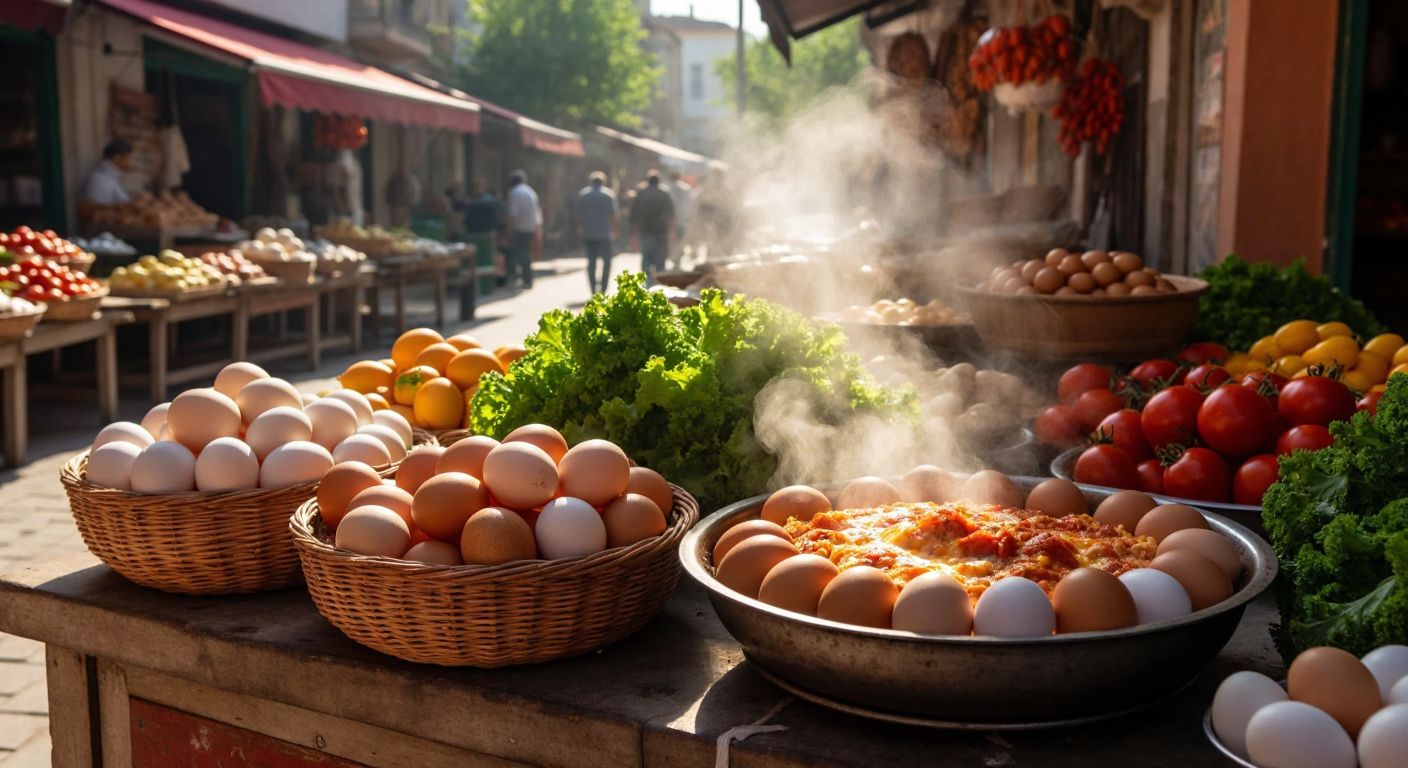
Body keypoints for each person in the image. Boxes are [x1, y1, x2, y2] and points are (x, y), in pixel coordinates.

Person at [451, 179, 501, 319]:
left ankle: (486, 286)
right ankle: (483, 288)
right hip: (481, 235)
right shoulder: (479, 202)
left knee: (481, 265)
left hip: (481, 235)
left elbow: (467, 219)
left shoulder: (479, 202)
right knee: (477, 267)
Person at [574, 171, 618, 293]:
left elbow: (578, 216)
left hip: (589, 233)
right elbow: (614, 216)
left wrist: (579, 229)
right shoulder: (608, 195)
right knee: (607, 262)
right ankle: (603, 288)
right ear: (603, 182)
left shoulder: (583, 195)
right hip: (605, 234)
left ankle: (593, 288)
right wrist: (615, 231)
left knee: (591, 262)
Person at [630, 170, 674, 283]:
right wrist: (672, 230)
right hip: (661, 230)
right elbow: (671, 213)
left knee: (646, 256)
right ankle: (659, 281)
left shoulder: (641, 193)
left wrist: (633, 233)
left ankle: (646, 280)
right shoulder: (664, 193)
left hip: (646, 230)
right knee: (660, 257)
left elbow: (634, 213)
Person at [504, 170, 542, 289]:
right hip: (530, 227)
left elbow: (513, 214)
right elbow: (537, 213)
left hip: (520, 228)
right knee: (525, 253)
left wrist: (509, 230)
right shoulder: (531, 192)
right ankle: (527, 279)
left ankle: (518, 278)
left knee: (519, 254)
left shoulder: (515, 193)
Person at [83, 140, 134, 205]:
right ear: (117, 157)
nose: (130, 161)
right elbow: (102, 210)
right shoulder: (100, 179)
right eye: (129, 157)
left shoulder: (111, 176)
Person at [666, 171, 694, 269]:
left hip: (668, 222)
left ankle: (672, 259)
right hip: (683, 220)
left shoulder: (666, 189)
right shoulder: (687, 189)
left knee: (670, 242)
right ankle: (677, 260)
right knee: (680, 241)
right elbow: (691, 205)